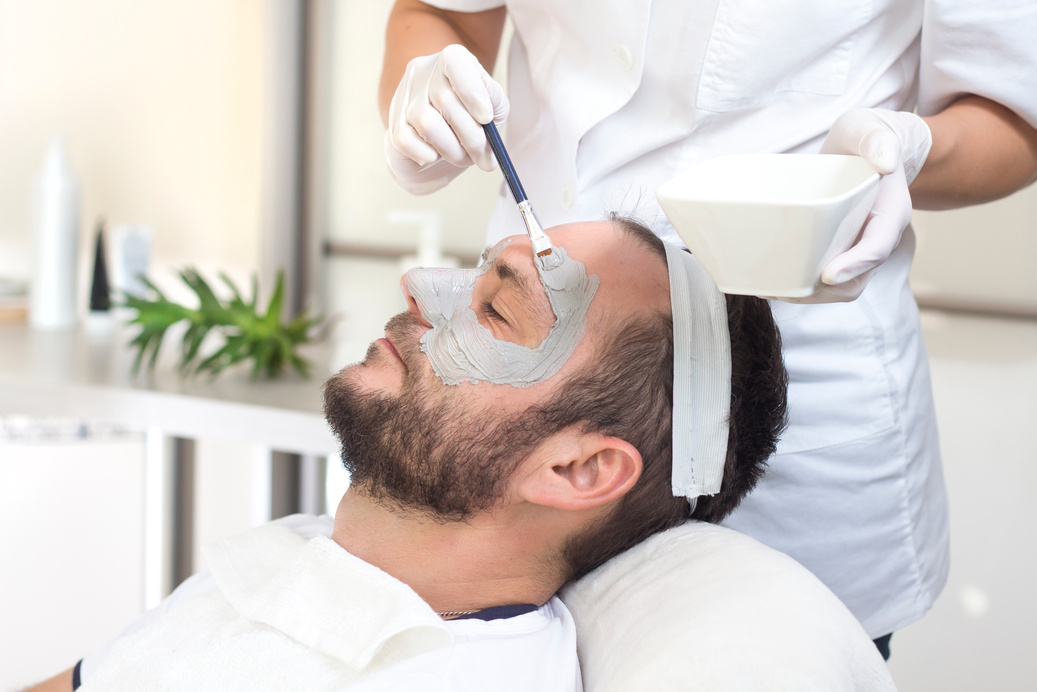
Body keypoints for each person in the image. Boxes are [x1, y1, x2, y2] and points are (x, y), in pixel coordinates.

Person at [378, 0, 1037, 658]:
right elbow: (441, 13)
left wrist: (912, 152)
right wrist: (425, 92)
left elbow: (1011, 120)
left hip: (802, 411)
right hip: (517, 406)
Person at [28, 218, 788, 691]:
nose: (418, 286)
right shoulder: (313, 556)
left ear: (576, 470)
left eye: (495, 307)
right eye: (477, 270)